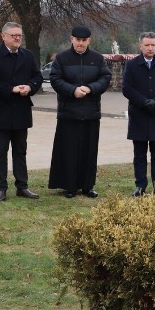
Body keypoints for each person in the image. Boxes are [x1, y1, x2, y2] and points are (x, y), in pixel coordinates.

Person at [0, 21, 44, 201]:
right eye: (13, 35)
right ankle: (1, 188)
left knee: (20, 151)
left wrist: (30, 87)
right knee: (1, 152)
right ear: (3, 36)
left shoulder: (28, 55)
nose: (17, 38)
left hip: (21, 110)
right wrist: (12, 89)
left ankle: (22, 187)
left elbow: (37, 76)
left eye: (19, 35)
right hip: (0, 111)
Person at [48, 25, 112, 198]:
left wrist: (91, 88)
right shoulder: (62, 58)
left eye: (84, 41)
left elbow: (105, 78)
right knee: (69, 151)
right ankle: (69, 186)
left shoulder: (98, 59)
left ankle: (87, 186)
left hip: (91, 112)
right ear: (71, 39)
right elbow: (55, 79)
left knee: (89, 151)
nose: (80, 44)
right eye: (78, 40)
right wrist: (72, 90)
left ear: (89, 41)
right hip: (68, 112)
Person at [121, 32, 155, 196]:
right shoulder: (131, 65)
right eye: (147, 45)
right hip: (139, 115)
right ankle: (140, 185)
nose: (150, 48)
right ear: (140, 46)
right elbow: (127, 88)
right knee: (139, 154)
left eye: (153, 45)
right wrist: (144, 102)